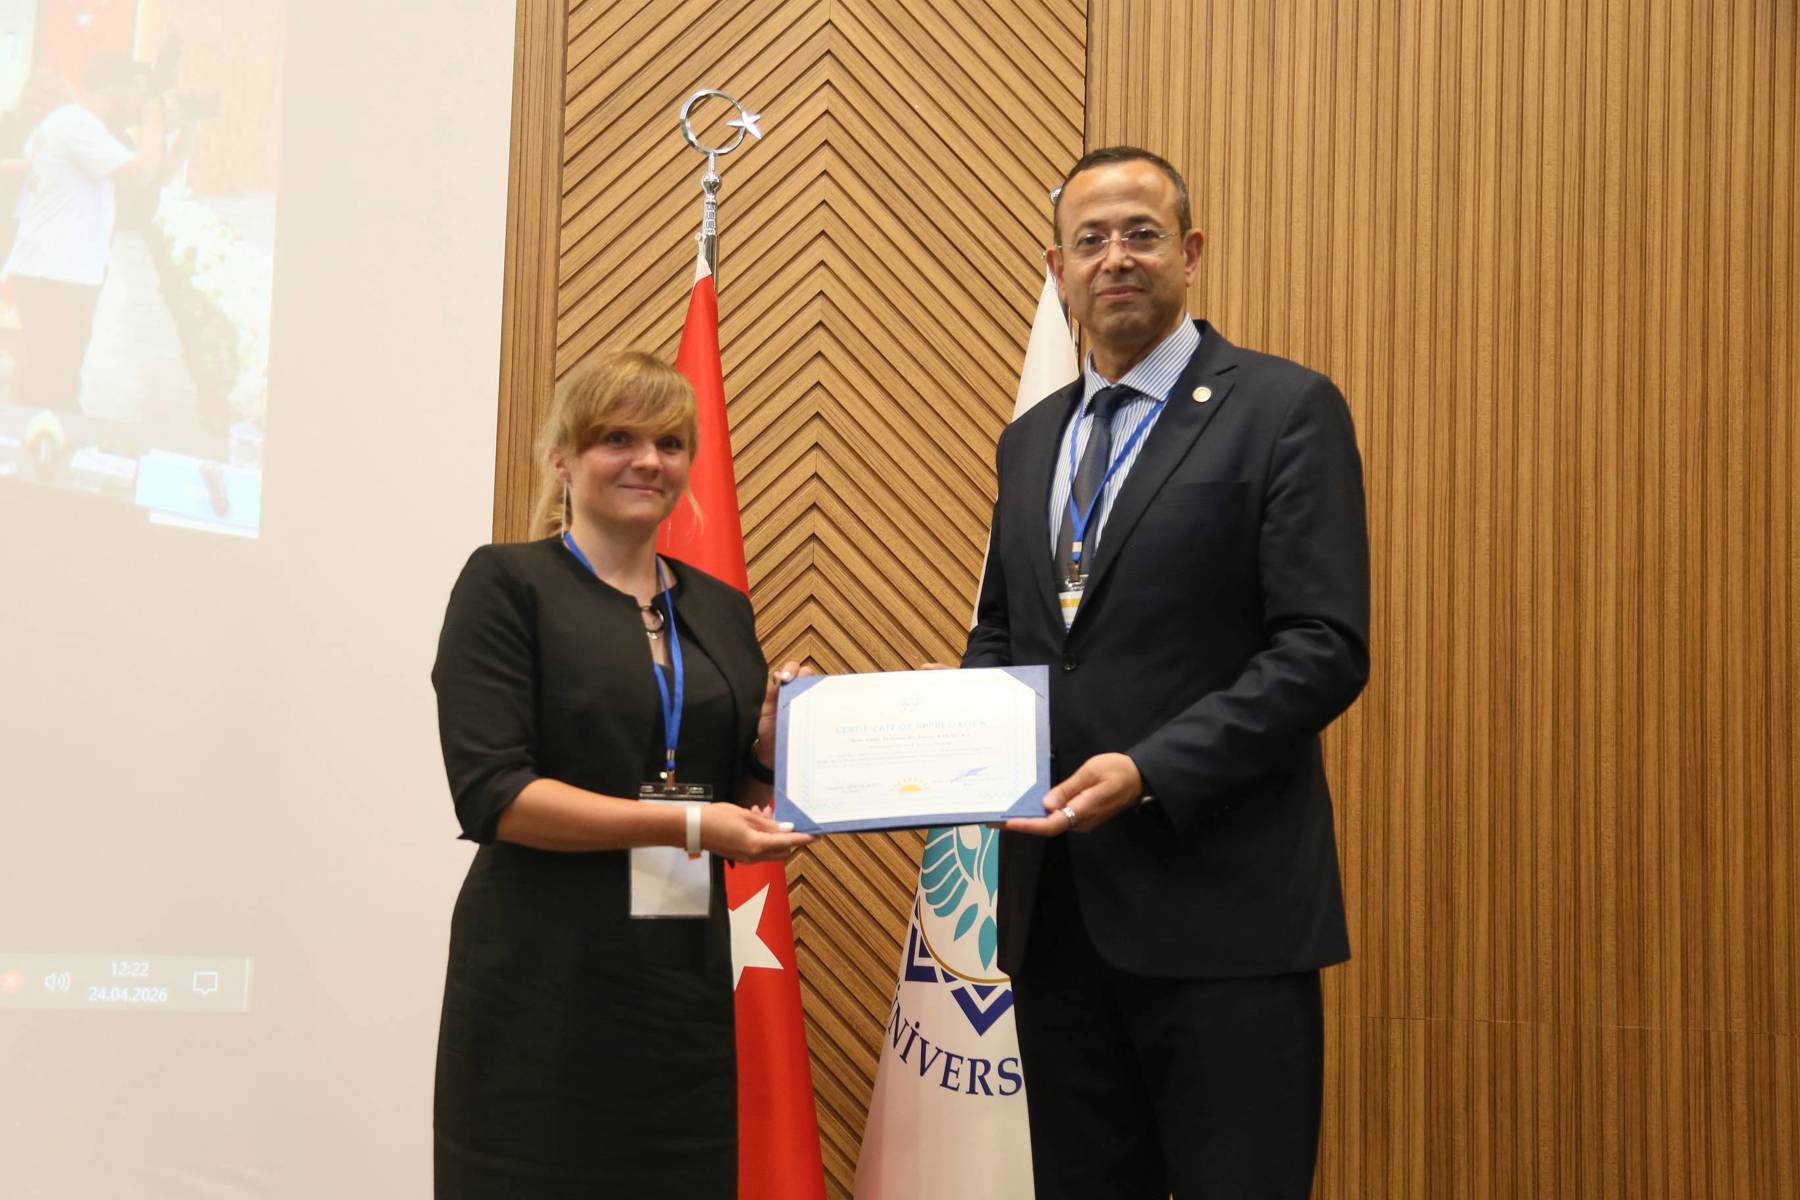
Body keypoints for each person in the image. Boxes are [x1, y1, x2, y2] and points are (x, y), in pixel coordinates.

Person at [962, 146, 1370, 1198]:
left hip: (1225, 918)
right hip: (1058, 922)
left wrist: (1149, 770)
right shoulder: (1029, 440)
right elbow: (1005, 639)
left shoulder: (1283, 408)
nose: (1116, 258)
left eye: (1141, 234)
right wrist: (927, 740)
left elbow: (1322, 646)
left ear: (1189, 253)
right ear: (1057, 269)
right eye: (1090, 240)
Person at [430, 349, 813, 1198]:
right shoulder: (506, 584)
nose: (649, 460)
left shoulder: (720, 608)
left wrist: (768, 747)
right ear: (561, 459)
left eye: (670, 443)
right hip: (540, 978)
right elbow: (496, 796)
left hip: (677, 979)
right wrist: (690, 824)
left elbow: (733, 796)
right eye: (618, 439)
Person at [1, 54, 162, 413]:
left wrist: (177, 132)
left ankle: (35, 442)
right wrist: (154, 119)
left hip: (62, 273)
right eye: (140, 93)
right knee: (52, 391)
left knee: (49, 385)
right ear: (115, 88)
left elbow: (149, 179)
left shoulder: (79, 125)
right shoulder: (76, 124)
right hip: (55, 275)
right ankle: (38, 446)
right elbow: (139, 174)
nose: (141, 104)